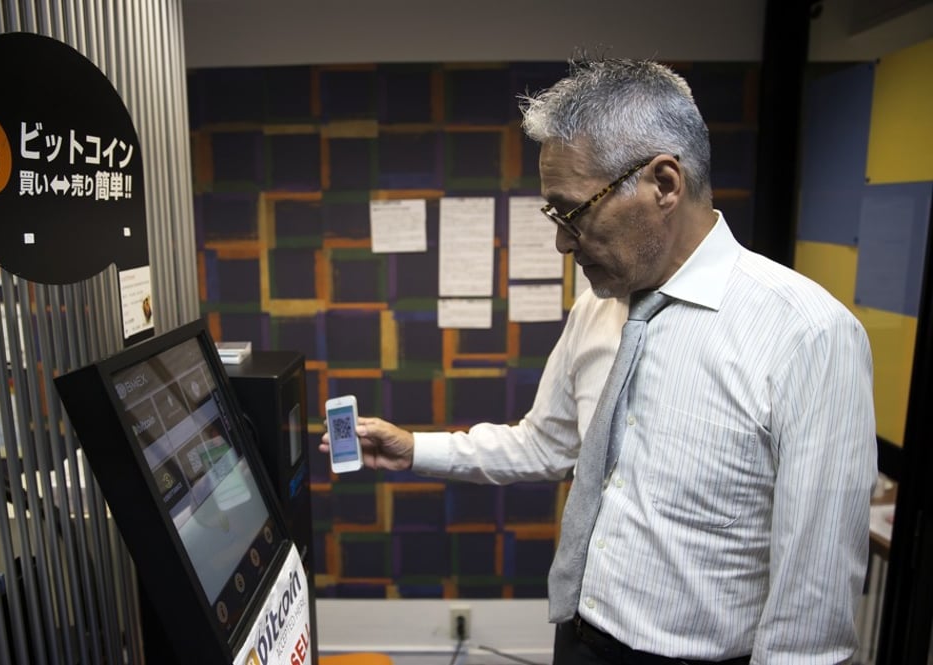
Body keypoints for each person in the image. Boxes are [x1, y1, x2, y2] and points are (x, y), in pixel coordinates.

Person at [321, 57, 877, 664]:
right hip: (578, 638)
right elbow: (546, 444)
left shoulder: (808, 336)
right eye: (553, 215)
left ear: (664, 183)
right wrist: (415, 447)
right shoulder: (598, 307)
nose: (561, 241)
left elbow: (811, 619)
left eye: (573, 211)